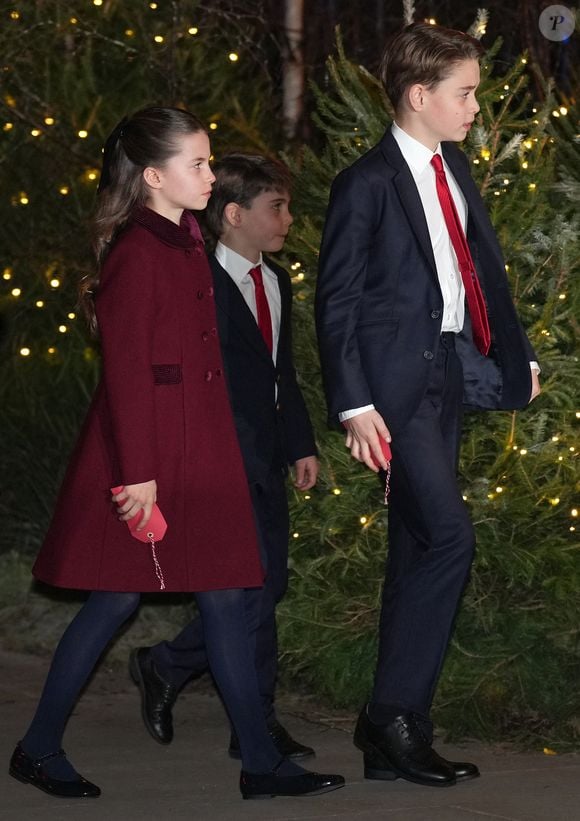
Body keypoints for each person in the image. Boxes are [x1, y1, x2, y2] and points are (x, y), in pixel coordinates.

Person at [8, 108, 344, 801]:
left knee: (227, 595)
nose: (211, 174)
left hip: (199, 450)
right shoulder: (137, 250)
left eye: (210, 160)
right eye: (198, 164)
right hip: (146, 462)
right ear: (154, 176)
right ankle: (38, 747)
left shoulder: (187, 236)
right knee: (112, 602)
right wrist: (138, 479)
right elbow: (128, 375)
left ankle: (259, 761)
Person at [315, 23, 540, 789]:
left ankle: (391, 733)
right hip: (393, 395)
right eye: (465, 92)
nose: (476, 105)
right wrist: (353, 404)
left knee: (417, 548)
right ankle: (394, 717)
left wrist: (512, 362)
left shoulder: (455, 172)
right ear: (421, 95)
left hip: (445, 375)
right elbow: (336, 301)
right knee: (450, 538)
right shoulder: (368, 182)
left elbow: (476, 282)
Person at [130, 153, 319, 762]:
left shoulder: (277, 282)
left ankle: (166, 663)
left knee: (269, 582)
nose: (288, 218)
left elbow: (278, 373)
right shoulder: (199, 282)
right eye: (277, 207)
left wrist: (300, 444)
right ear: (233, 214)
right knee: (246, 586)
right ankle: (254, 723)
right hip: (215, 456)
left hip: (265, 455)